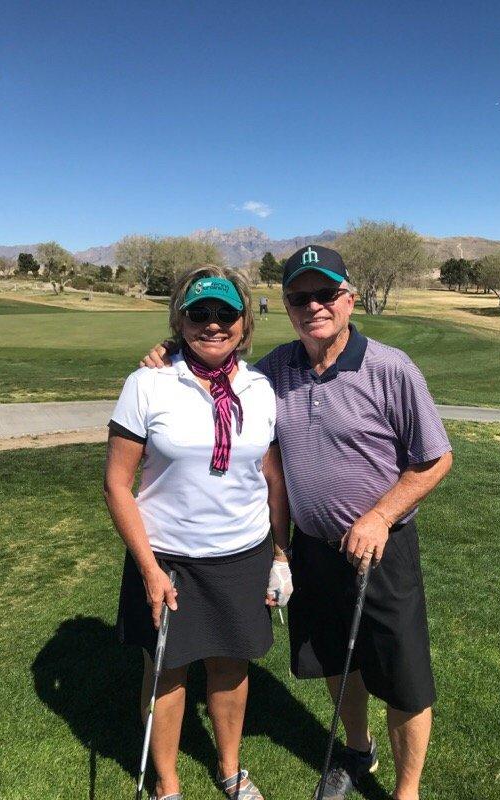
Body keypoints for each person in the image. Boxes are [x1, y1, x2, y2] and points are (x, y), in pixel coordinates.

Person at [142, 245, 453, 800]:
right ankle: (356, 751)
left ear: (349, 298)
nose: (314, 305)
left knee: (404, 679)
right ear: (285, 306)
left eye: (326, 293)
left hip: (382, 548)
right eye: (300, 296)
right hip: (313, 549)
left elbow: (435, 458)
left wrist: (381, 516)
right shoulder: (276, 371)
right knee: (338, 659)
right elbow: (218, 367)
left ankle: (407, 794)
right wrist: (170, 353)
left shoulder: (390, 367)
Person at [104, 265, 292, 800]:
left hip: (242, 555)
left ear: (244, 322)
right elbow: (117, 485)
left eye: (225, 313)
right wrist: (148, 569)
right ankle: (167, 784)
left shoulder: (260, 388)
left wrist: (282, 555)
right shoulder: (148, 383)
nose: (213, 324)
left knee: (232, 667)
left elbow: (273, 480)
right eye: (199, 313)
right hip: (169, 557)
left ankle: (230, 768)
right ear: (180, 319)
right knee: (167, 670)